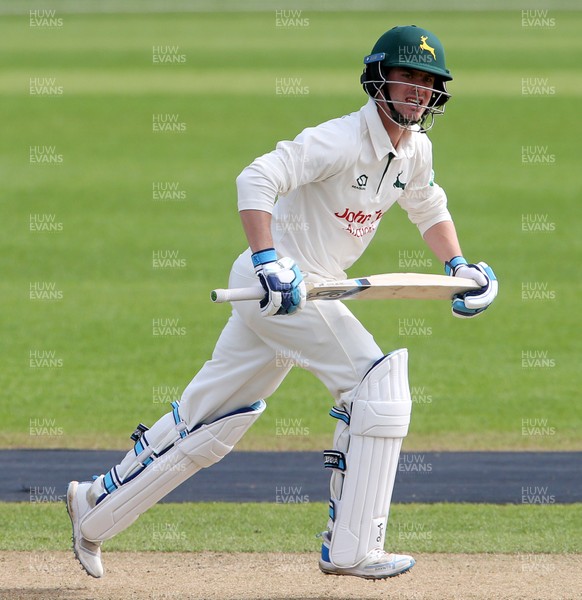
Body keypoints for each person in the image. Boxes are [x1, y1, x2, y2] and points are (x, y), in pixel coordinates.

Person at [67, 25, 497, 580]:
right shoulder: (339, 139)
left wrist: (458, 266)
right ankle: (351, 547)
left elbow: (427, 205)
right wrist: (269, 258)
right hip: (277, 286)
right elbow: (257, 177)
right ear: (379, 80)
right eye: (407, 77)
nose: (418, 91)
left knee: (211, 422)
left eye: (428, 81)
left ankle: (94, 506)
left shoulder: (415, 150)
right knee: (376, 382)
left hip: (311, 287)